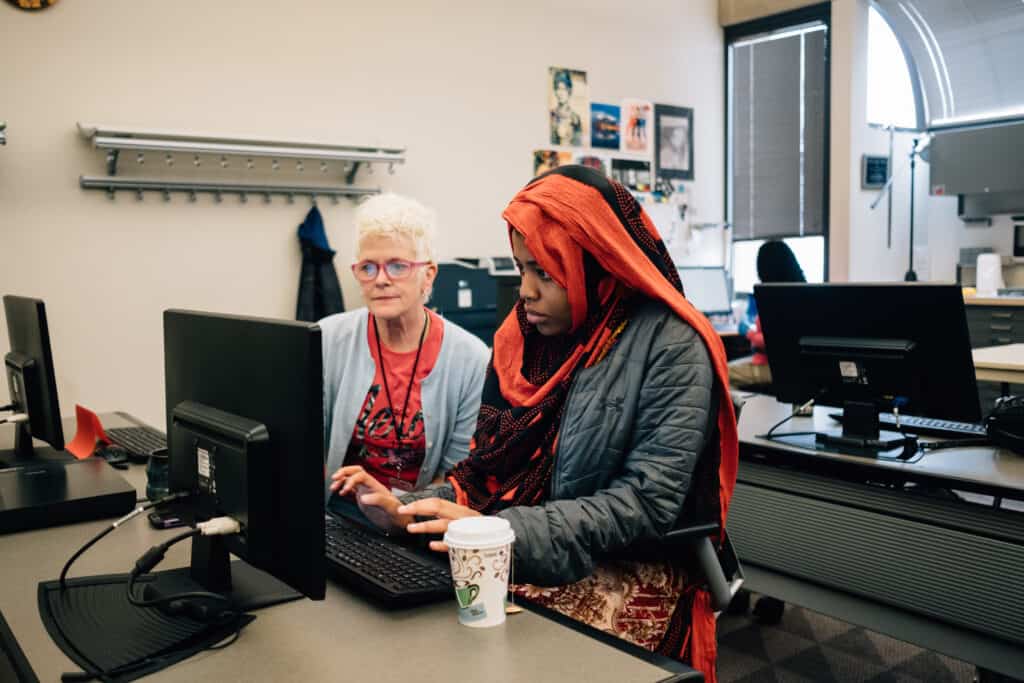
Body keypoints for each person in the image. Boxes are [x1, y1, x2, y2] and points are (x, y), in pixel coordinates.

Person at [332, 167, 739, 680]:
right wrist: (404, 510)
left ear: (597, 262)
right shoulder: (521, 340)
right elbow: (482, 471)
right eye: (521, 268)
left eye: (545, 272)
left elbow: (645, 504)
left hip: (629, 561)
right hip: (525, 543)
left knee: (471, 651)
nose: (524, 291)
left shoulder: (672, 345)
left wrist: (496, 532)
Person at [321, 193, 489, 498]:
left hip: (418, 521)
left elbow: (456, 479)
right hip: (338, 517)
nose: (381, 280)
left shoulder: (471, 360)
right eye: (368, 267)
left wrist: (396, 510)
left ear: (428, 275)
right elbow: (305, 446)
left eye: (397, 266)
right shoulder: (327, 338)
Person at [728, 240, 806, 389]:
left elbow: (774, 340)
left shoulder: (776, 296)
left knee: (721, 374)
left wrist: (749, 333)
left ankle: (739, 412)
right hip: (790, 368)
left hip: (775, 369)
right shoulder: (800, 292)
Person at [549, 69, 582, 146]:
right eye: (557, 88)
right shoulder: (551, 115)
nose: (560, 93)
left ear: (569, 90)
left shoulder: (575, 118)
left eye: (563, 89)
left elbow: (578, 144)